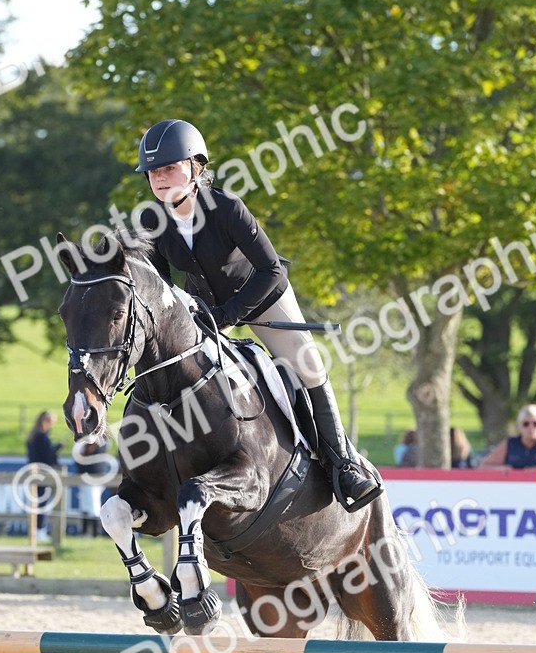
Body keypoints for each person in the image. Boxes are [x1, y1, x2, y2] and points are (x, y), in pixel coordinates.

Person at [135, 119, 381, 511]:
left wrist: (231, 313)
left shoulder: (227, 208)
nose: (160, 179)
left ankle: (343, 466)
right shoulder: (152, 220)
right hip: (206, 311)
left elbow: (272, 271)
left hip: (263, 297)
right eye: (153, 172)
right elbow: (161, 287)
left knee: (309, 364)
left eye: (169, 168)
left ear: (196, 167)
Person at [483, 404, 536, 471]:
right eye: (526, 424)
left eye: (535, 424)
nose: (531, 428)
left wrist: (525, 472)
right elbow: (483, 466)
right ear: (519, 426)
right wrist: (504, 469)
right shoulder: (511, 443)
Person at [26, 411, 62, 536]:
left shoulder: (34, 435)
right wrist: (57, 448)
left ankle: (37, 529)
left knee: (37, 502)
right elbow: (47, 454)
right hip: (42, 474)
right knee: (41, 502)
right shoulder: (41, 437)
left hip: (35, 472)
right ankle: (39, 530)